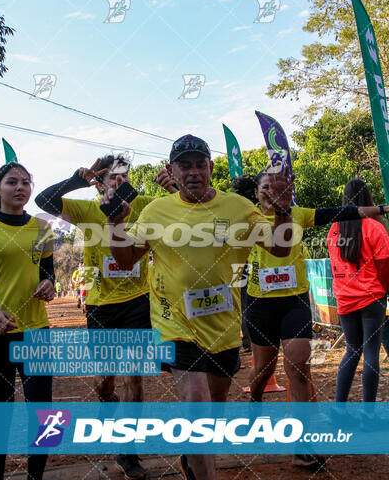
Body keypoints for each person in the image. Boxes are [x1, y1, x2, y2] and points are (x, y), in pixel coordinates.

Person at [106, 135, 294, 480]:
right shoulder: (156, 210)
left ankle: (191, 459)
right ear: (170, 171)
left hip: (223, 330)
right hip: (175, 327)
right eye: (184, 165)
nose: (193, 172)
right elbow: (127, 257)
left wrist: (282, 211)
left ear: (211, 168)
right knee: (196, 405)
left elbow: (280, 249)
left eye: (200, 164)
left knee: (212, 417)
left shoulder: (238, 208)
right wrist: (114, 223)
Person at [232, 170, 389, 470]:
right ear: (256, 192)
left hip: (295, 301)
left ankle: (301, 444)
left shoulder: (298, 214)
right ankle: (255, 402)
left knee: (300, 368)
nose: (273, 191)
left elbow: (346, 210)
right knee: (263, 371)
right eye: (267, 187)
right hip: (260, 304)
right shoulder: (247, 219)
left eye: (280, 187)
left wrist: (382, 208)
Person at [35, 153, 176, 480]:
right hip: (100, 306)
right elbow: (44, 200)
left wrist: (171, 188)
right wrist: (74, 181)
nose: (119, 182)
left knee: (133, 376)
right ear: (98, 184)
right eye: (111, 177)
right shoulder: (86, 210)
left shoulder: (143, 206)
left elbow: (181, 208)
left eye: (123, 177)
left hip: (138, 301)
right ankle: (106, 398)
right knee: (104, 380)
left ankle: (128, 453)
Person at [0, 162, 55, 480]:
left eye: (26, 182)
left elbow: (48, 271)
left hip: (37, 332)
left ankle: (36, 476)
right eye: (12, 182)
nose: (20, 188)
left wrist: (49, 284)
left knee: (43, 413)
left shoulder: (42, 229)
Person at [327, 179, 389, 406]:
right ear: (368, 199)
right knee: (371, 352)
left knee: (352, 351)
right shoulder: (375, 228)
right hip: (372, 298)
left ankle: (339, 409)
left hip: (344, 299)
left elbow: (336, 266)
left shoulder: (334, 228)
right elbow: (384, 266)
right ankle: (368, 414)